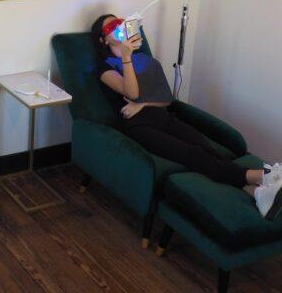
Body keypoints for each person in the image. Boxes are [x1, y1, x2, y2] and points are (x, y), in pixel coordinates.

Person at [91, 14, 282, 221]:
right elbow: (132, 93)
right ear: (103, 39)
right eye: (112, 26)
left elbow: (165, 98)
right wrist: (126, 58)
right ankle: (262, 175)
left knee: (206, 148)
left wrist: (144, 103)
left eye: (120, 22)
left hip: (160, 116)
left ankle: (258, 193)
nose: (118, 27)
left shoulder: (146, 61)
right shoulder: (104, 68)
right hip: (136, 125)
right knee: (191, 154)